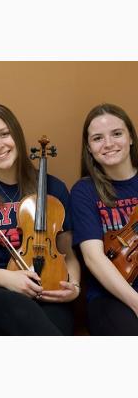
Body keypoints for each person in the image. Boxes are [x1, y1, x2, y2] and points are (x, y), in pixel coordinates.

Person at [0, 102, 80, 335]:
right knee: (19, 310)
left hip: (45, 291)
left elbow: (67, 255)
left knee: (54, 323)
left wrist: (75, 287)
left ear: (16, 135)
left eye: (4, 134)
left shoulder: (53, 188)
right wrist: (8, 279)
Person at [70, 103, 138, 335]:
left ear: (130, 137)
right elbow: (94, 258)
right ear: (89, 148)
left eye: (117, 134)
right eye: (98, 138)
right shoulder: (84, 191)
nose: (108, 144)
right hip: (110, 297)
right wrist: (136, 302)